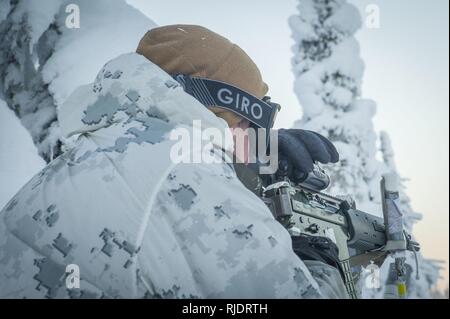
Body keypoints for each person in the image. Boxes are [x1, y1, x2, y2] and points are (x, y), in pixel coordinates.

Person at [0, 25, 345, 298]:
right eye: (252, 125)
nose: (254, 140)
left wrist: (248, 172)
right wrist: (320, 264)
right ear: (228, 113)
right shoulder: (190, 177)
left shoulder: (100, 150)